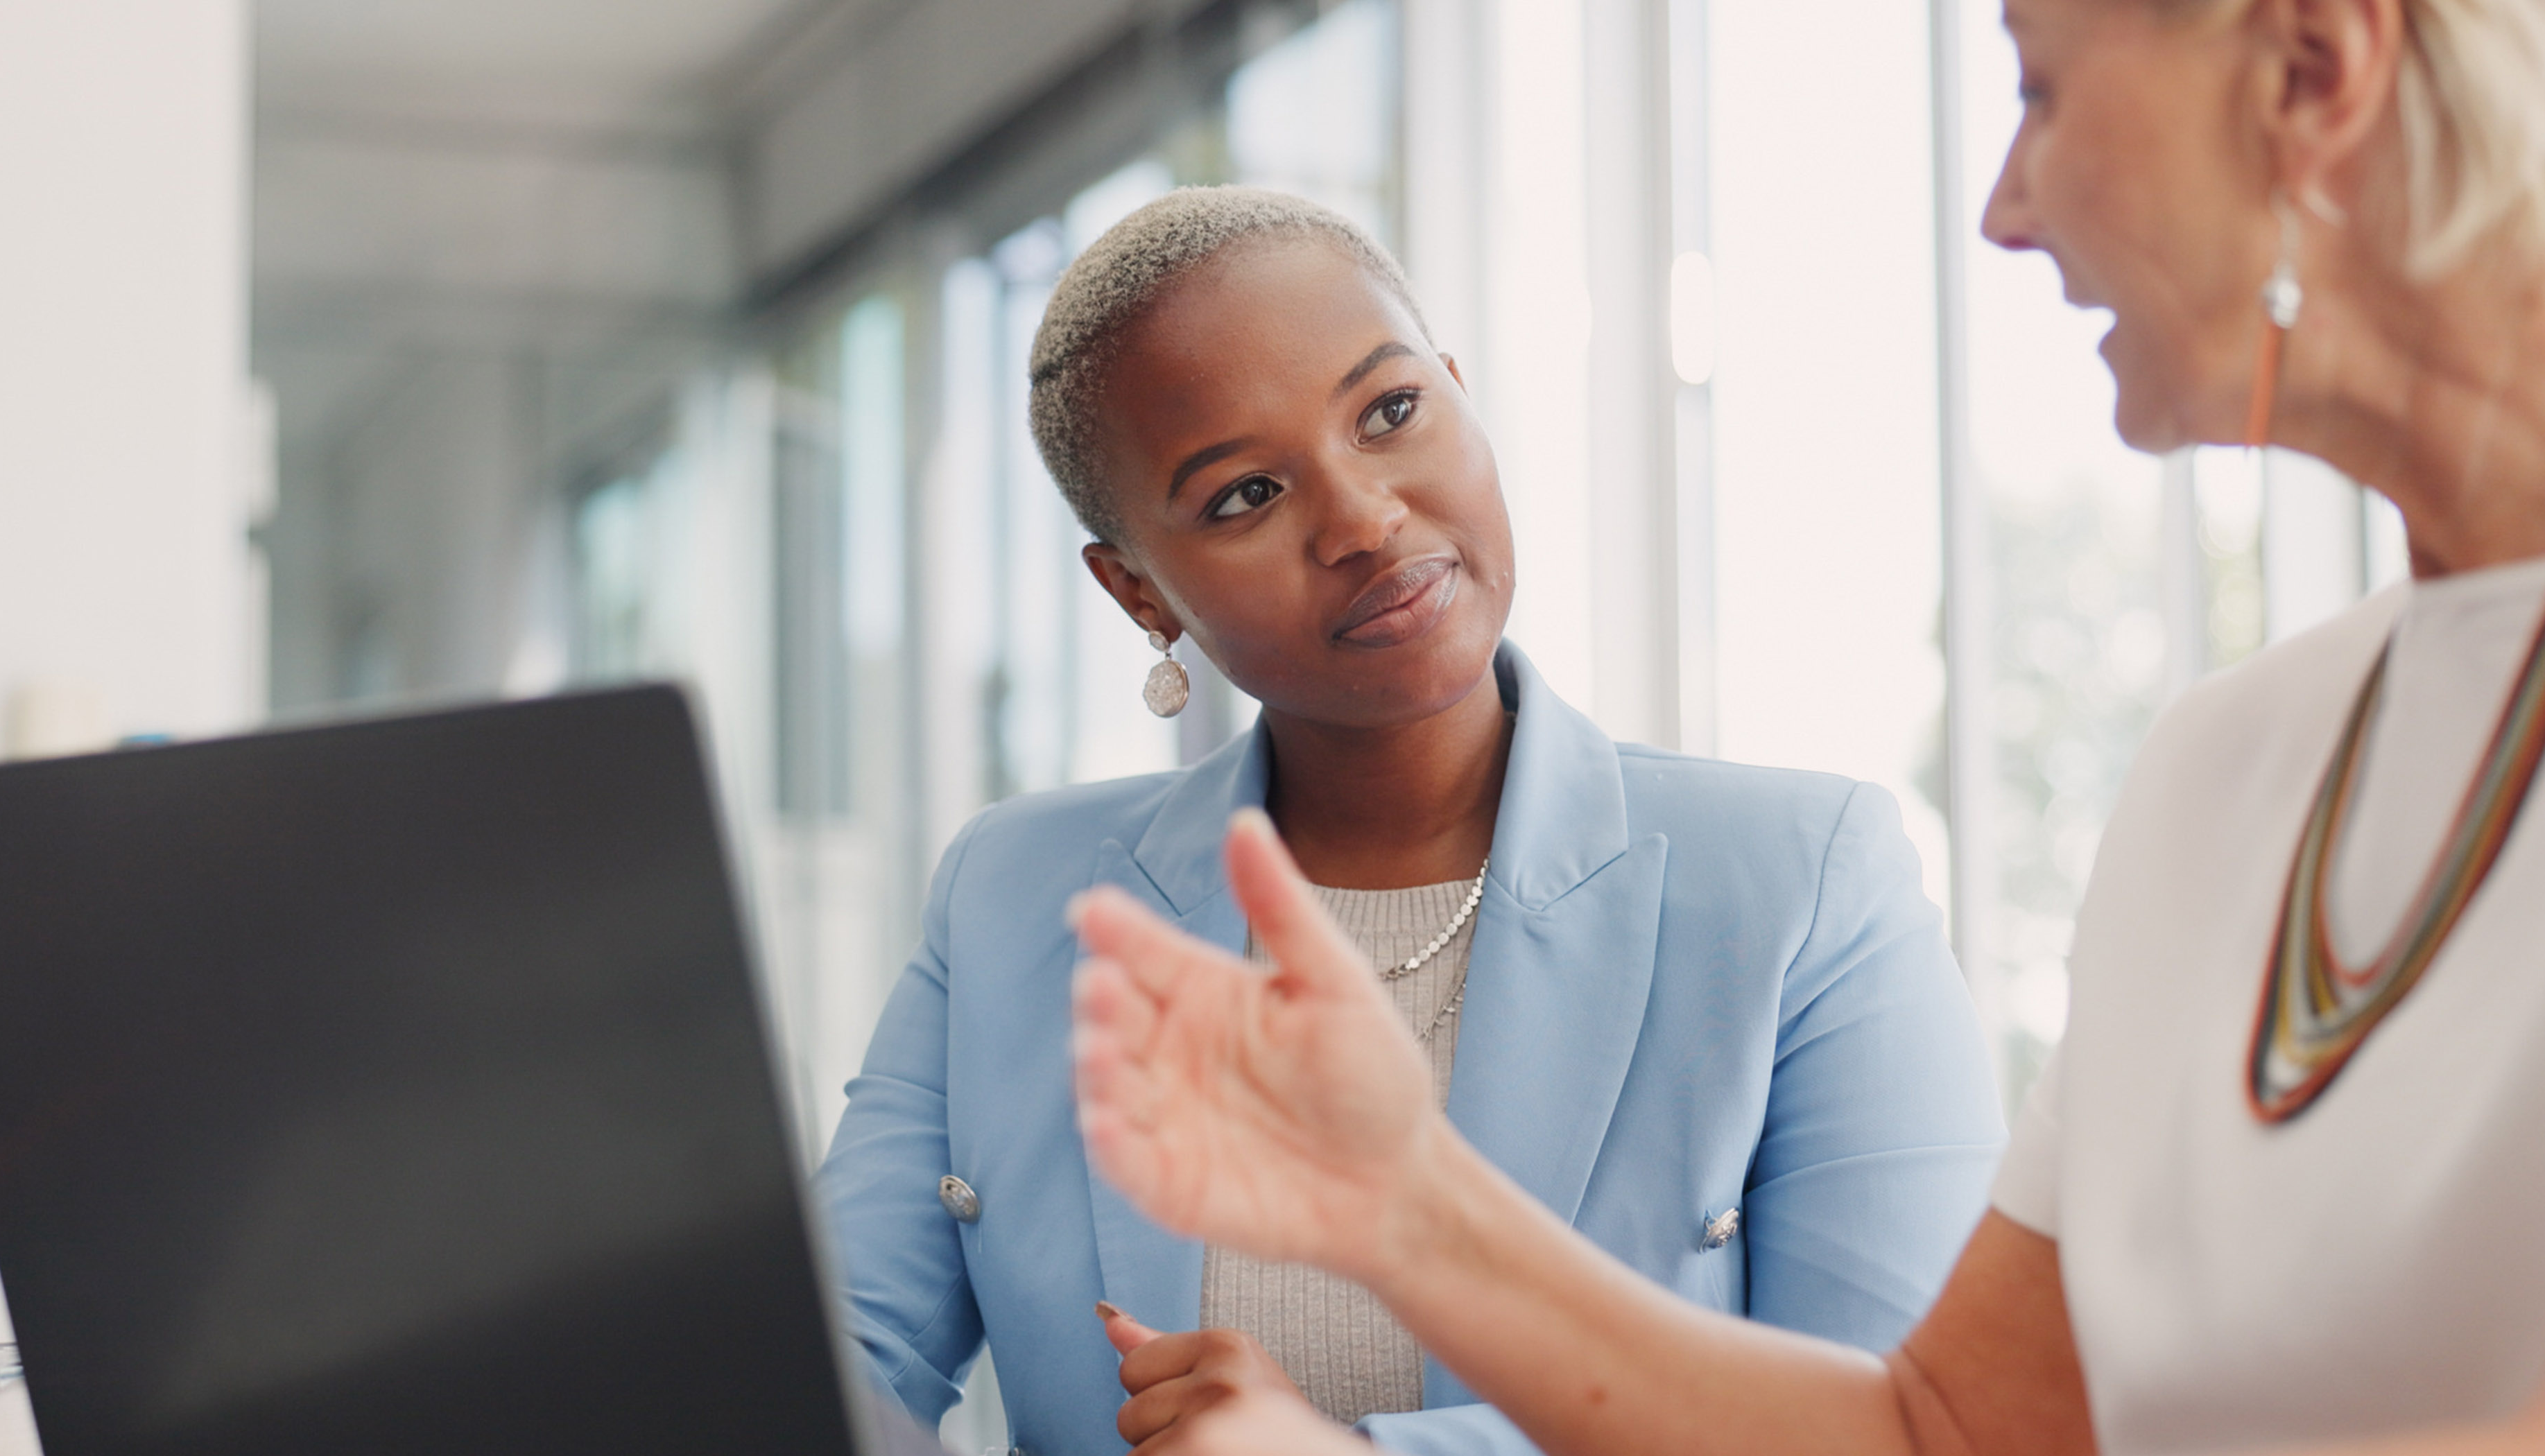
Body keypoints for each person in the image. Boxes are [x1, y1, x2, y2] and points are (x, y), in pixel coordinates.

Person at [1063, 0, 2545, 1453]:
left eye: (2042, 89)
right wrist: (1406, 1208)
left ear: (2314, 73)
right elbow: (1947, 1436)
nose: (2005, 209)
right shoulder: (2233, 764)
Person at [816, 187, 2007, 1456]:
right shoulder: (1011, 896)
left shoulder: (1803, 886)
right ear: (1137, 593)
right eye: (1245, 495)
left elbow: (1917, 1427)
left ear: (1457, 388)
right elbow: (827, 1359)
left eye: (1391, 413)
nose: (1365, 520)